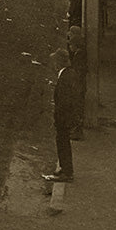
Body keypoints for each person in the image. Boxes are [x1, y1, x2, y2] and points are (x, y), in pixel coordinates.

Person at [42, 48, 81, 182]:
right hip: (67, 117)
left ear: (59, 63)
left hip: (64, 118)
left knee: (62, 142)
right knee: (63, 142)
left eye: (54, 62)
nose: (53, 65)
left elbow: (64, 102)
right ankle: (64, 168)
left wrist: (58, 119)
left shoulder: (65, 77)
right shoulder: (69, 74)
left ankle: (67, 172)